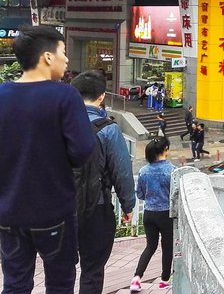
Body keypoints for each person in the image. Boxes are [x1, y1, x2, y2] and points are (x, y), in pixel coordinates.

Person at [0, 25, 96, 294]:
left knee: (15, 284)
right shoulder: (65, 95)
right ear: (47, 56)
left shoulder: (2, 95)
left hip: (8, 213)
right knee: (59, 284)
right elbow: (82, 151)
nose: (66, 59)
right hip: (54, 212)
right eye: (63, 52)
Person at [71, 70, 136, 294]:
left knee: (61, 270)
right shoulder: (109, 129)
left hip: (61, 209)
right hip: (96, 209)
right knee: (92, 270)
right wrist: (128, 206)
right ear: (102, 96)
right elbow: (122, 172)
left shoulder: (58, 124)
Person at [130, 137, 177, 291]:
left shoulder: (144, 171)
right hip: (166, 213)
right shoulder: (172, 170)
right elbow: (177, 194)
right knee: (167, 247)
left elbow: (140, 194)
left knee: (150, 247)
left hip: (149, 213)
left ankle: (136, 278)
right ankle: (164, 280)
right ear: (165, 150)